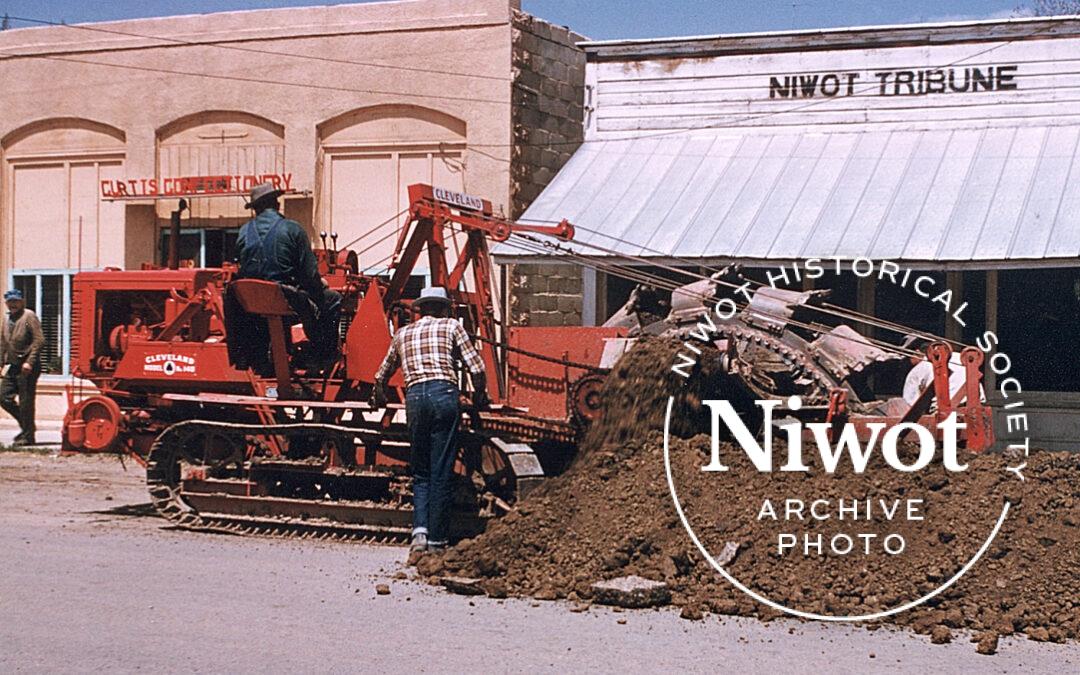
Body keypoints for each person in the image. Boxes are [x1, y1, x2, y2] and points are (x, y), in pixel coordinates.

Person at [371, 287, 489, 554]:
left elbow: (381, 376)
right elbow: (477, 368)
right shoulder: (452, 327)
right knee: (441, 469)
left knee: (421, 470)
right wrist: (480, 395)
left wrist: (377, 398)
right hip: (443, 395)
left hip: (414, 399)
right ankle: (437, 541)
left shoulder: (403, 334)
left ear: (421, 309)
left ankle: (419, 535)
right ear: (444, 308)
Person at [228, 182, 342, 371]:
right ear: (277, 204)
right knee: (332, 300)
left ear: (255, 209)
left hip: (253, 304)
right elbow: (309, 275)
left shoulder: (243, 232)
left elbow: (241, 268)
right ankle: (322, 357)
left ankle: (260, 361)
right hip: (286, 302)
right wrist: (319, 287)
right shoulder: (292, 229)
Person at [0, 289, 44, 446]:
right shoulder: (7, 319)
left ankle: (28, 436)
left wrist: (30, 362)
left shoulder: (27, 317)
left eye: (16, 301)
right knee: (3, 397)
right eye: (10, 302)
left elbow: (39, 340)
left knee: (26, 401)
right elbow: (3, 342)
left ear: (22, 302)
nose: (13, 304)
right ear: (6, 303)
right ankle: (28, 426)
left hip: (27, 366)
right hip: (13, 365)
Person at [902, 336, 983, 406]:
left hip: (941, 412)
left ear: (916, 352)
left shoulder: (920, 367)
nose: (908, 363)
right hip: (974, 406)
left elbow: (910, 403)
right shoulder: (962, 358)